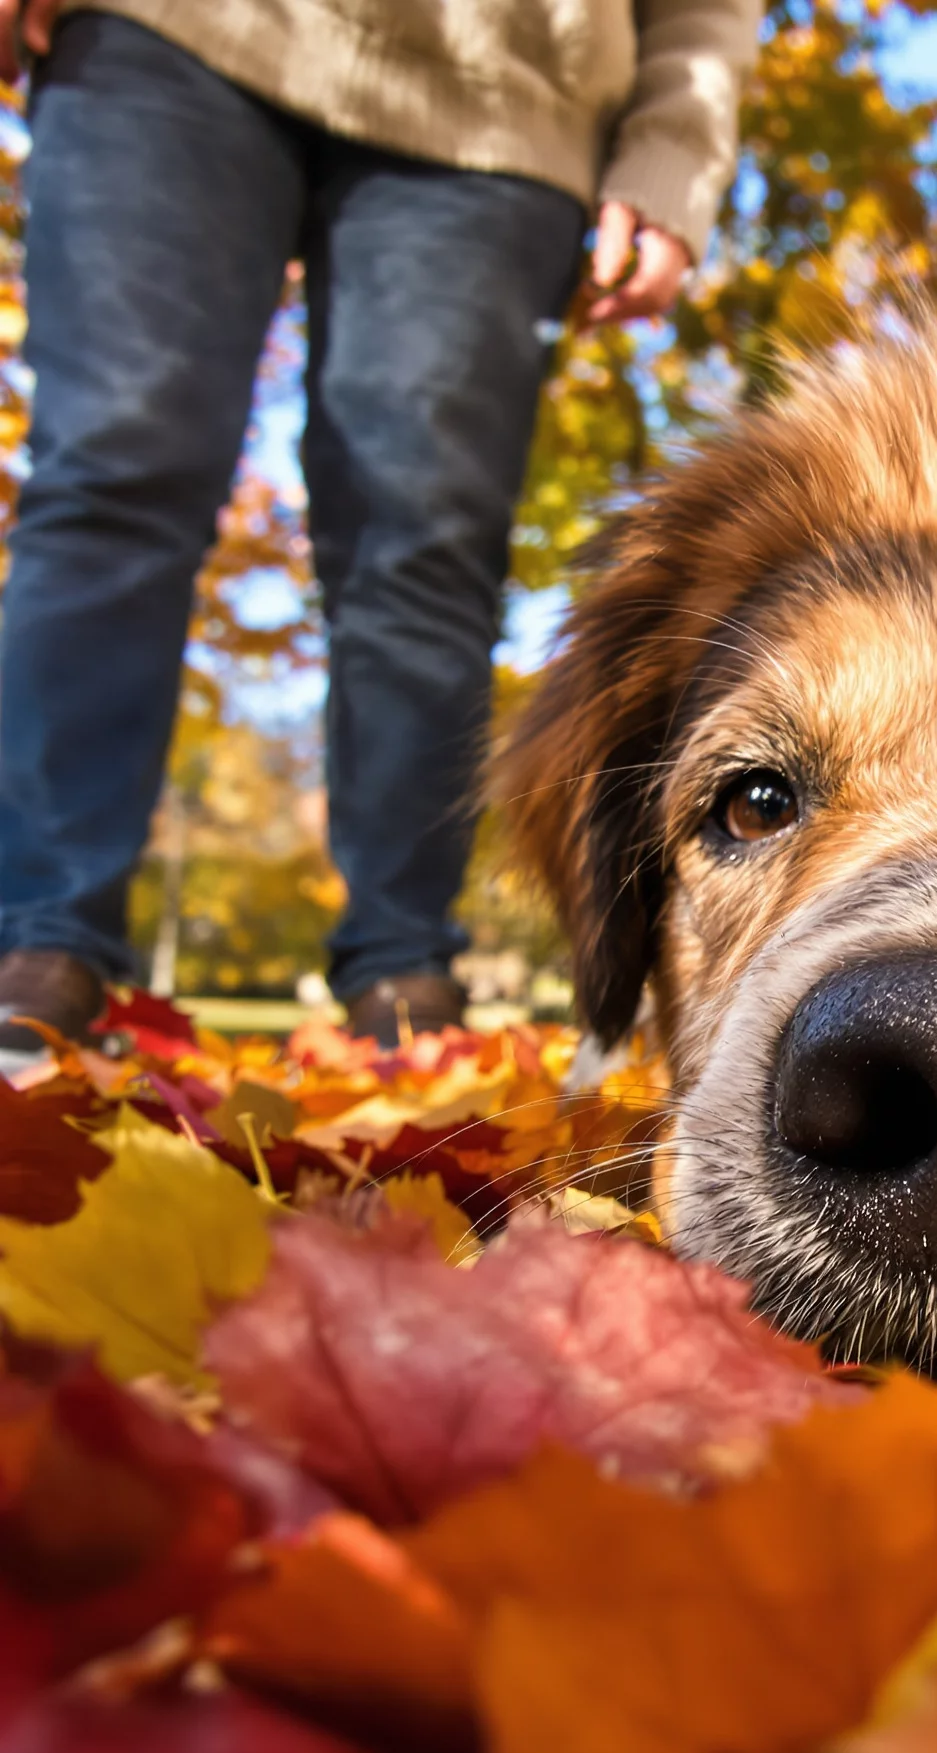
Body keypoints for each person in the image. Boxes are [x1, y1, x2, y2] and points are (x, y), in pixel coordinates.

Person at [0, 0, 760, 1060]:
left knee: (424, 550)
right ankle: (36, 950)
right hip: (168, 31)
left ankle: (404, 981)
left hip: (497, 93)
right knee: (112, 477)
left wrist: (673, 146)